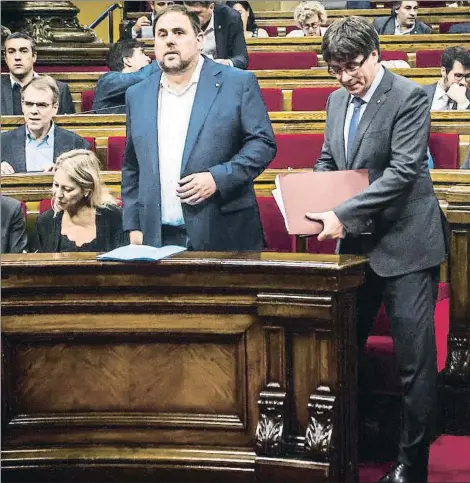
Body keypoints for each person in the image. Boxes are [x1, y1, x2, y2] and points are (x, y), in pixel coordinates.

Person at [305, 16, 447, 483]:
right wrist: (306, 201)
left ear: (375, 53)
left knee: (414, 365)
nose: (345, 77)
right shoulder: (333, 100)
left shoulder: (408, 96)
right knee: (341, 352)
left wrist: (339, 213)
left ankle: (412, 464)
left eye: (352, 65)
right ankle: (351, 443)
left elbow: (404, 172)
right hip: (357, 251)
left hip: (406, 247)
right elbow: (331, 161)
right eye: (335, 68)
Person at [121, 4, 276, 250]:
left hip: (224, 233)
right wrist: (133, 225)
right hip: (157, 239)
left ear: (200, 39)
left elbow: (263, 144)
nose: (170, 40)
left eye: (179, 32)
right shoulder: (137, 95)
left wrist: (219, 178)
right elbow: (132, 165)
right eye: (162, 34)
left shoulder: (237, 83)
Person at [30, 150, 128, 253]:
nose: (58, 195)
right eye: (56, 185)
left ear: (87, 190)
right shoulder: (45, 222)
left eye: (67, 189)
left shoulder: (116, 218)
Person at [1, 76, 90, 175]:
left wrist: (64, 173)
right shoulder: (3, 142)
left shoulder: (76, 145)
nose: (34, 111)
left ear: (55, 108)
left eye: (41, 105)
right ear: (22, 105)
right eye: (29, 104)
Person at [2, 32, 75, 115]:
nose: (17, 57)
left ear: (34, 56)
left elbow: (68, 125)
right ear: (5, 58)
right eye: (11, 52)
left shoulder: (60, 89)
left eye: (24, 51)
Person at [92, 39, 159, 114]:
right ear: (127, 61)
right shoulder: (107, 80)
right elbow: (141, 76)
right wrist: (163, 61)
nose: (148, 59)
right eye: (142, 53)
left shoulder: (146, 83)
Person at [183, 1, 248, 69]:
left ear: (211, 7)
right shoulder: (180, 16)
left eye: (198, 13)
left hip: (220, 71)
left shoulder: (230, 17)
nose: (194, 19)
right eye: (191, 14)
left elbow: (242, 59)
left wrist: (226, 63)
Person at [422, 46, 470, 111]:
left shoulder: (467, 97)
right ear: (443, 71)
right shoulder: (422, 94)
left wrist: (463, 103)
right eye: (458, 76)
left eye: (467, 76)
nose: (464, 82)